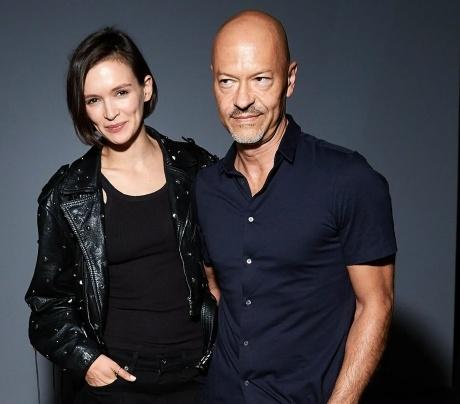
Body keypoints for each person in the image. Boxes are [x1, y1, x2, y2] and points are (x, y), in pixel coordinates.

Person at [195, 10, 396, 404]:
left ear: (290, 79)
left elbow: (376, 304)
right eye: (227, 81)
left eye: (260, 79)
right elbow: (216, 290)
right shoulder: (206, 187)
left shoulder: (348, 179)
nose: (242, 100)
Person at [25, 27, 217, 404]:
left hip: (199, 379)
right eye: (94, 100)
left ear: (146, 88)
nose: (110, 112)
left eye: (121, 92)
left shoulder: (197, 170)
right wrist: (88, 362)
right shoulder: (69, 194)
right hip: (117, 385)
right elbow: (46, 305)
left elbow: (234, 270)